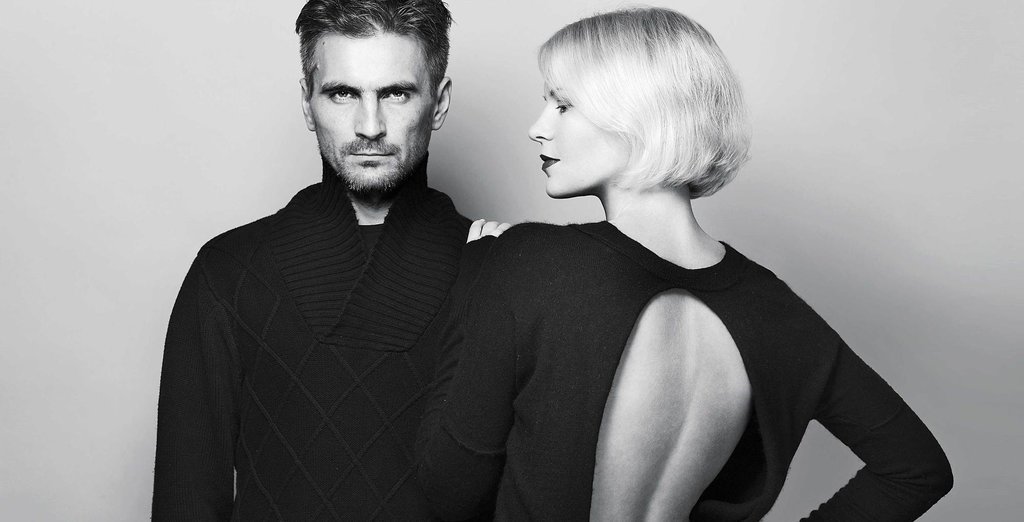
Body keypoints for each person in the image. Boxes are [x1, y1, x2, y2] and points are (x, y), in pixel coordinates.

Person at [416, 7, 953, 521]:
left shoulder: (527, 261)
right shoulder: (776, 311)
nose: (537, 128)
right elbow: (915, 470)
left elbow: (451, 493)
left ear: (635, 115)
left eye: (563, 105)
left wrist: (474, 280)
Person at [152, 0, 506, 519]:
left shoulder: (498, 272)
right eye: (343, 93)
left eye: (396, 93)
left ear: (439, 102)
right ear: (306, 102)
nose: (370, 125)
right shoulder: (226, 273)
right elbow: (186, 501)